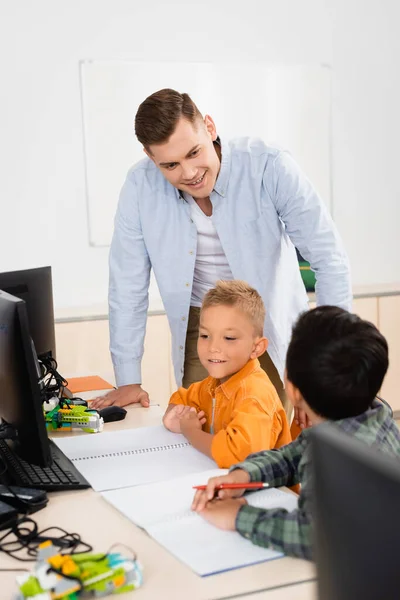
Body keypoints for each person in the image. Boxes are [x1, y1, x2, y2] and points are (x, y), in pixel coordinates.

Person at [91, 88, 351, 425]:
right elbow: (127, 284)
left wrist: (330, 360)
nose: (188, 173)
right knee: (207, 434)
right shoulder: (140, 186)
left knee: (274, 433)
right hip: (200, 321)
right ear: (150, 157)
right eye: (170, 164)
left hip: (267, 319)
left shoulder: (269, 165)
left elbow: (329, 259)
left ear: (210, 128)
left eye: (194, 152)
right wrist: (128, 379)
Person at [191, 306, 400, 560]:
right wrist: (243, 475)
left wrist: (238, 516)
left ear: (294, 391)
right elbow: (292, 456)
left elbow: (314, 535)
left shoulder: (337, 457)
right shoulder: (366, 413)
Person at [162, 280, 291, 467]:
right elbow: (182, 399)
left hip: (269, 494)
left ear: (256, 348)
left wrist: (191, 432)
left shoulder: (255, 396)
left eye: (229, 338)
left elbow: (238, 456)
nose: (213, 348)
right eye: (205, 336)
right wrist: (173, 416)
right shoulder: (213, 384)